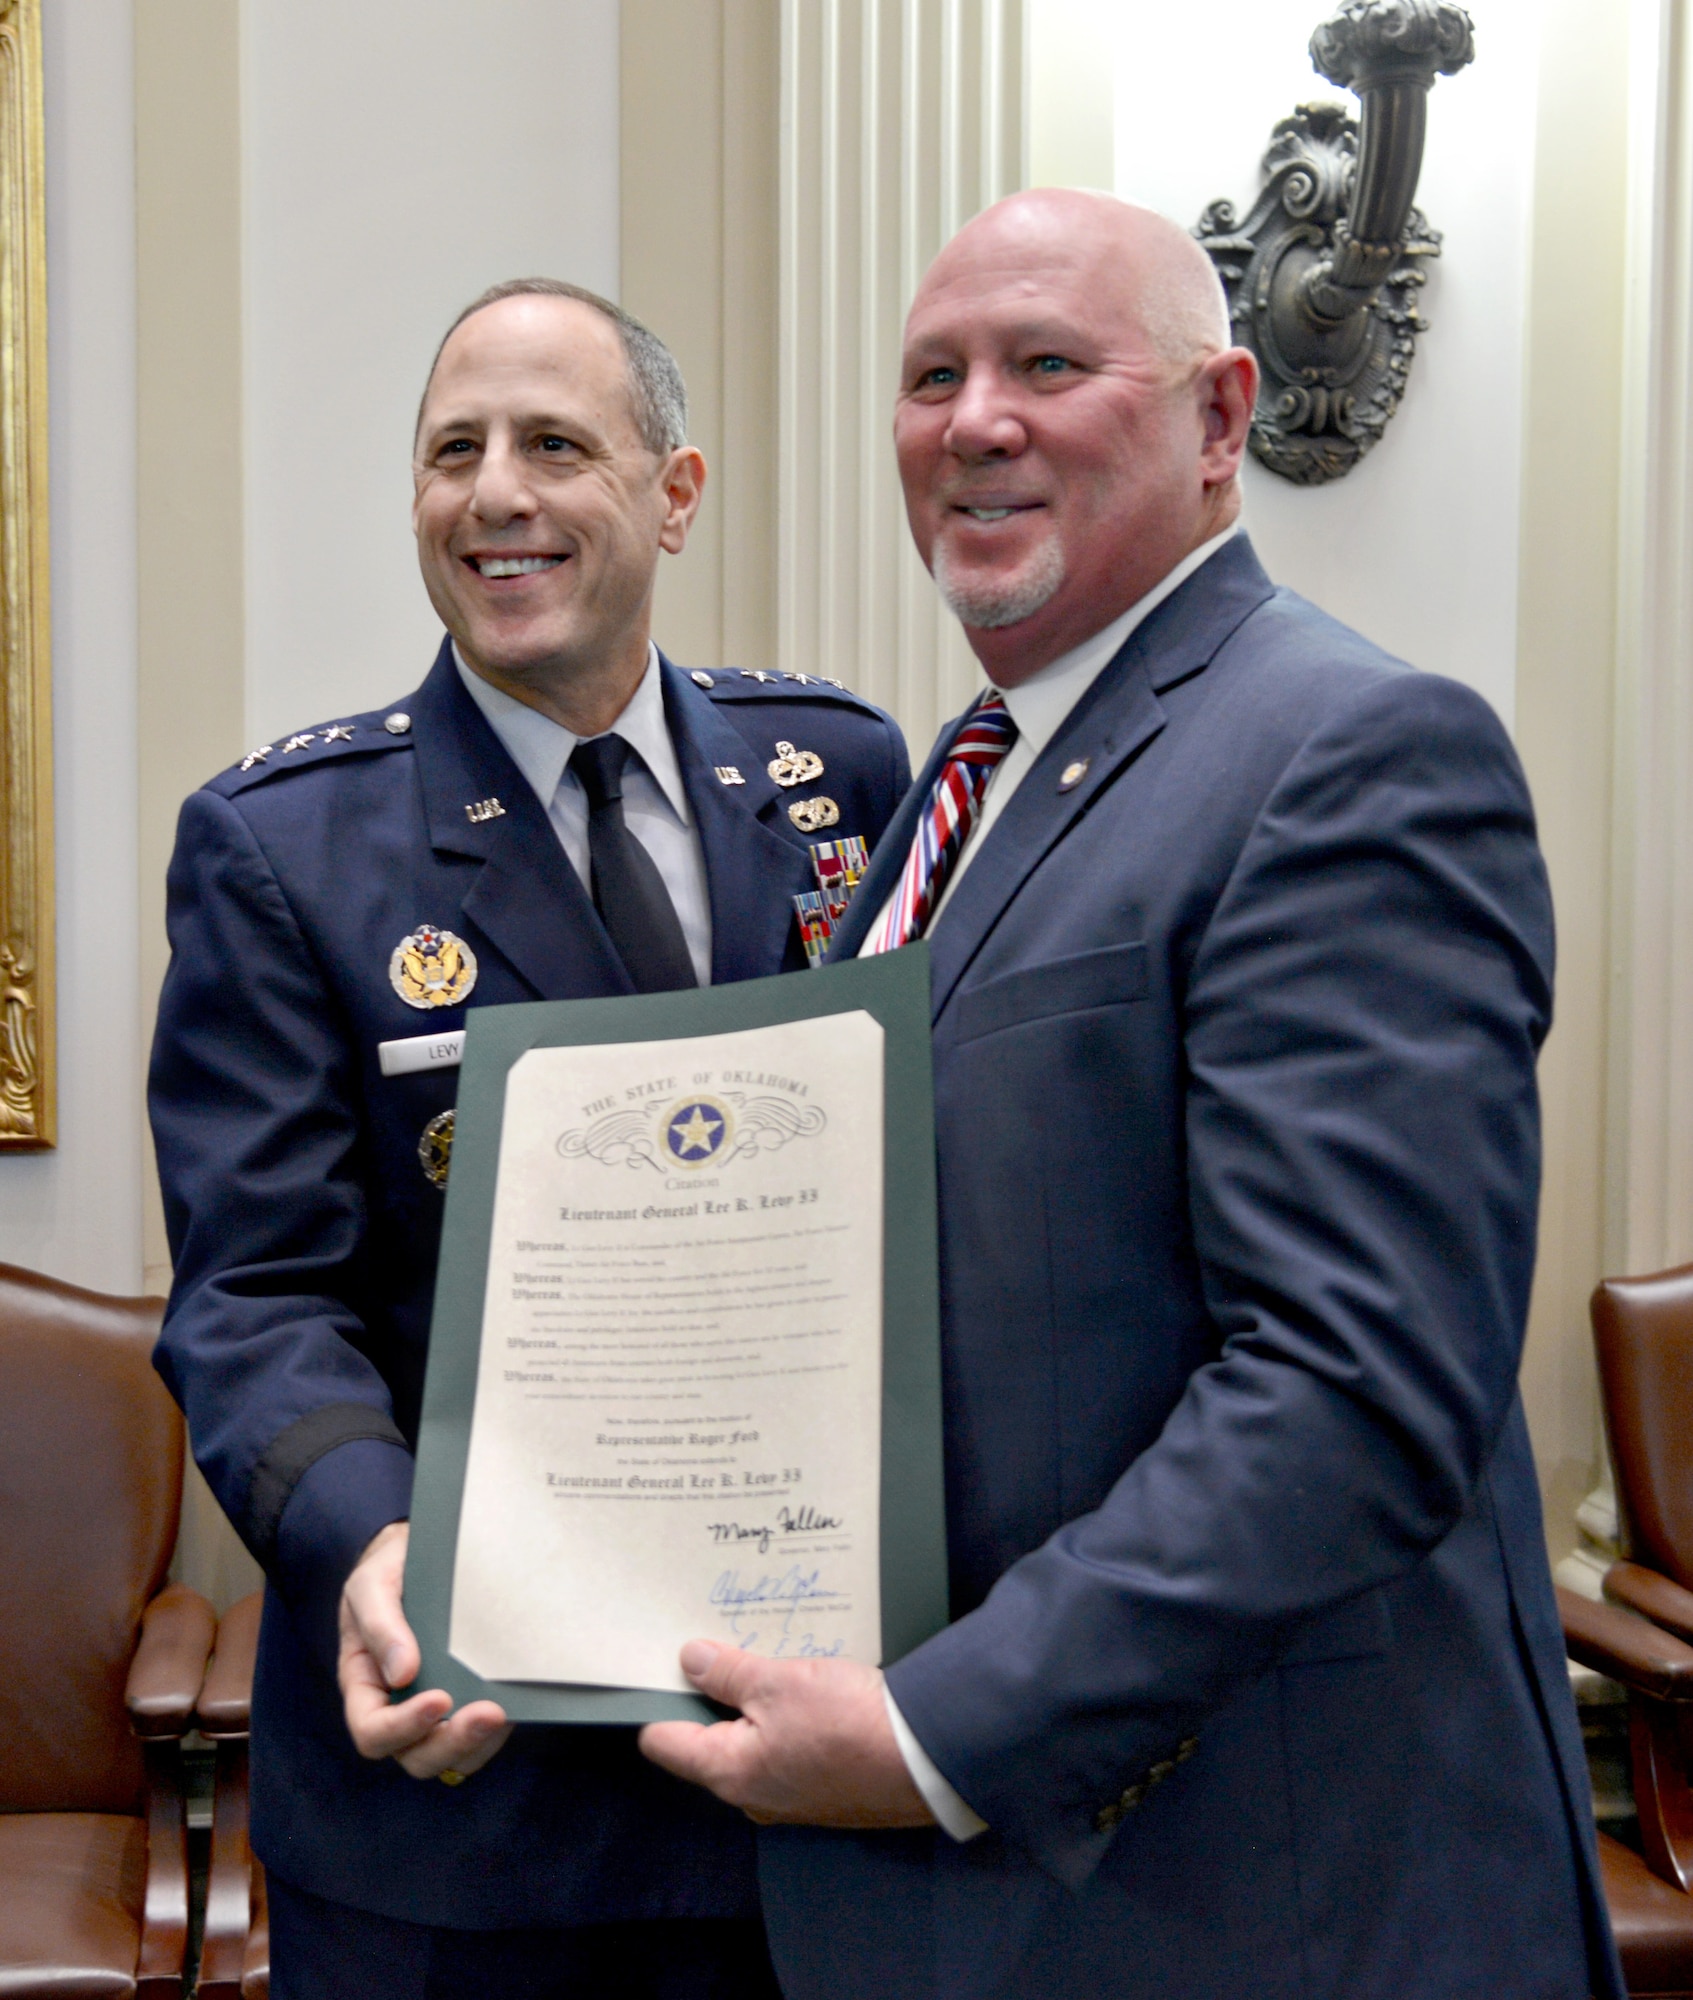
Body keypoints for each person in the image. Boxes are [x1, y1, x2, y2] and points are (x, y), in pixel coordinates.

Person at [636, 193, 1626, 1998]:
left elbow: (1355, 1386)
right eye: (931, 376)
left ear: (1222, 415)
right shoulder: (969, 778)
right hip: (1000, 1901)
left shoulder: (1342, 751)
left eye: (1047, 365)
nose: (974, 420)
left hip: (1260, 1890)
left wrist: (938, 1732)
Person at [149, 276, 910, 1997]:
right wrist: (380, 1547)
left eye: (554, 445)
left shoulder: (839, 778)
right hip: (465, 1804)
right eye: (451, 453)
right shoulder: (286, 849)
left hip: (804, 1770)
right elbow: (253, 1300)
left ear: (674, 493)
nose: (493, 494)